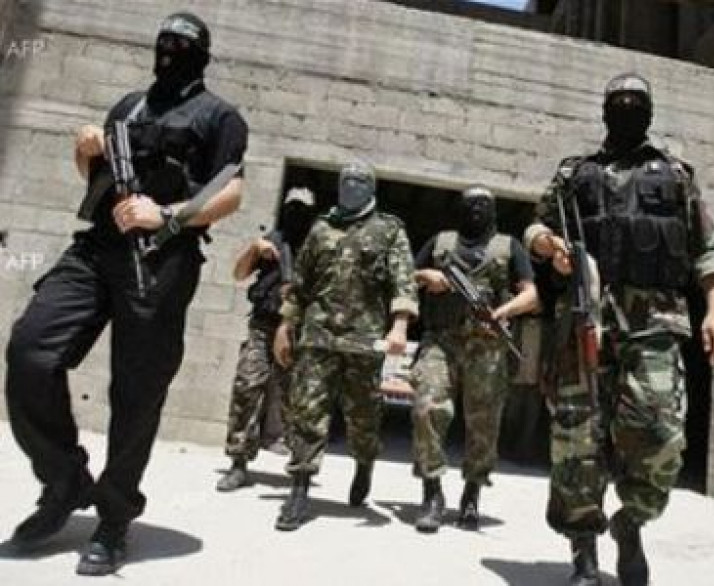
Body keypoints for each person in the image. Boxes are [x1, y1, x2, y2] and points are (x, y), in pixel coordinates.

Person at [5, 12, 248, 575]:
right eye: (163, 42)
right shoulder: (129, 107)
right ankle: (64, 482)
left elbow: (231, 190)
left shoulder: (220, 117)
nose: (169, 52)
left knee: (136, 395)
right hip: (96, 250)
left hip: (161, 260)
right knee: (30, 350)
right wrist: (85, 148)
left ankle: (114, 519)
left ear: (201, 55)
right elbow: (94, 180)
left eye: (181, 45)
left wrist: (167, 214)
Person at [524, 73, 714, 586]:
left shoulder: (676, 175)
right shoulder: (574, 174)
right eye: (618, 102)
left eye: (635, 102)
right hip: (582, 320)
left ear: (649, 112)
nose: (626, 108)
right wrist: (549, 246)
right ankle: (583, 550)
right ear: (604, 111)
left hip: (653, 325)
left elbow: (707, 250)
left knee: (662, 438)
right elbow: (534, 227)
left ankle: (631, 522)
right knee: (577, 441)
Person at [272, 161, 418, 531]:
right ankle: (299, 488)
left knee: (363, 416)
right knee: (308, 410)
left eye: (359, 181)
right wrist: (285, 326)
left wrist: (400, 325)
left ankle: (364, 464)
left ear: (371, 187)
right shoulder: (321, 228)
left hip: (363, 340)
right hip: (318, 335)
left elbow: (403, 280)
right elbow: (300, 283)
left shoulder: (389, 230)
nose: (351, 186)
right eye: (346, 181)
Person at [411, 185, 538, 534]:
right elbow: (403, 277)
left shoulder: (509, 247)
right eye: (470, 204)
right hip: (441, 341)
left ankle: (472, 493)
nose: (476, 210)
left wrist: (503, 311)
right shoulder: (440, 243)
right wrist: (426, 276)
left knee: (484, 423)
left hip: (488, 346)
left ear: (493, 210)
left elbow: (531, 295)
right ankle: (432, 492)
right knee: (427, 408)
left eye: (483, 204)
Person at [216, 188, 316, 492]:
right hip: (262, 327)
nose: (296, 215)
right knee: (247, 386)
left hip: (299, 332)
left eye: (302, 210)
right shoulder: (272, 240)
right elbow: (238, 274)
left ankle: (301, 467)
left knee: (298, 399)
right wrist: (254, 249)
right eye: (292, 208)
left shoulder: (317, 247)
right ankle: (238, 462)